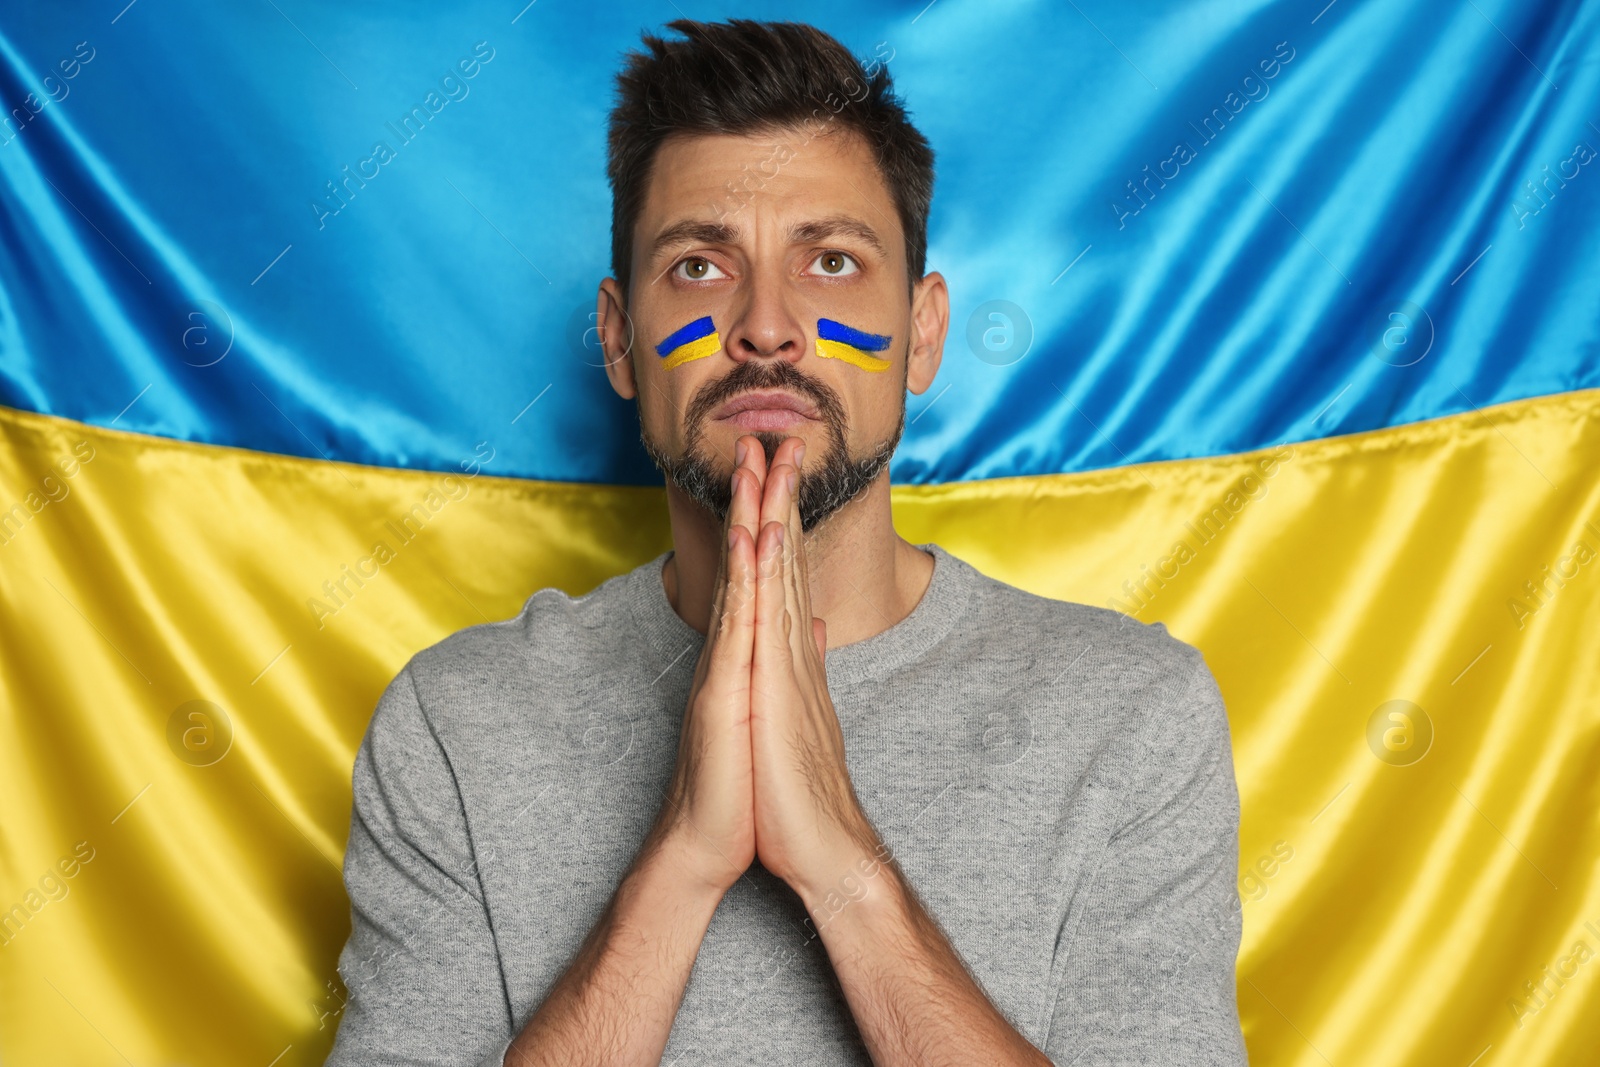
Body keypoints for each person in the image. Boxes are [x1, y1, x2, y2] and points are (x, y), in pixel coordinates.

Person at [326, 18, 1246, 1067]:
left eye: (833, 260)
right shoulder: (456, 724)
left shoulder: (1132, 717)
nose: (767, 324)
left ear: (924, 332)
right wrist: (682, 857)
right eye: (701, 267)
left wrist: (841, 862)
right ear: (619, 339)